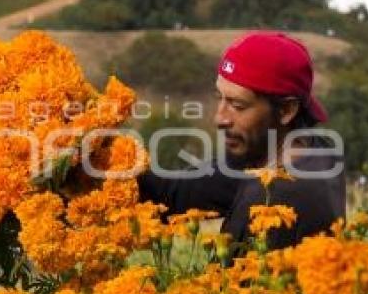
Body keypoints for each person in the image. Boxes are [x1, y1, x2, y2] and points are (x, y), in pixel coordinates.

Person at [138, 32, 345, 252]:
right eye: (220, 98)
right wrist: (112, 157)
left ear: (286, 110)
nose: (220, 118)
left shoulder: (279, 200)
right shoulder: (275, 153)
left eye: (238, 106)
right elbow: (174, 194)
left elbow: (242, 283)